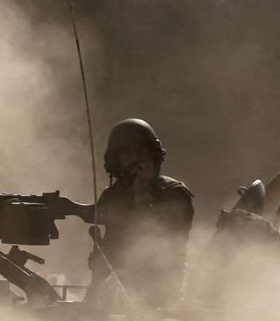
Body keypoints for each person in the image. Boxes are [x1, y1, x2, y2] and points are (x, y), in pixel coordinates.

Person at [57, 118, 194, 309]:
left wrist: (141, 194)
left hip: (160, 296)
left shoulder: (174, 193)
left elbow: (159, 244)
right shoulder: (114, 194)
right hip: (112, 294)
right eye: (127, 153)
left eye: (140, 151)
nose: (135, 159)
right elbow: (103, 228)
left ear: (152, 154)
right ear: (117, 160)